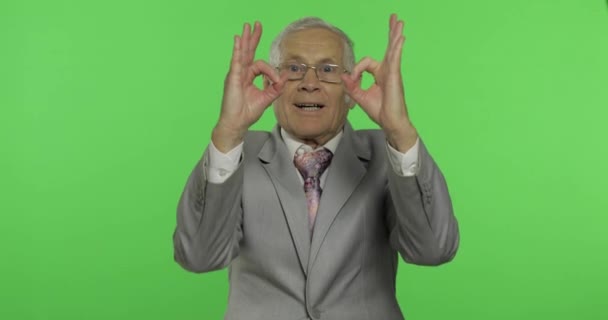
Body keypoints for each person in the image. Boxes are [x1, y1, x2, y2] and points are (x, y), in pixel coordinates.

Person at [173, 14, 459, 320]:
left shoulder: (387, 154)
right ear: (271, 83)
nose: (310, 83)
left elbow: (433, 250)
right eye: (294, 69)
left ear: (352, 89)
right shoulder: (237, 155)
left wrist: (400, 130)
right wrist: (228, 132)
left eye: (328, 70)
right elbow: (198, 257)